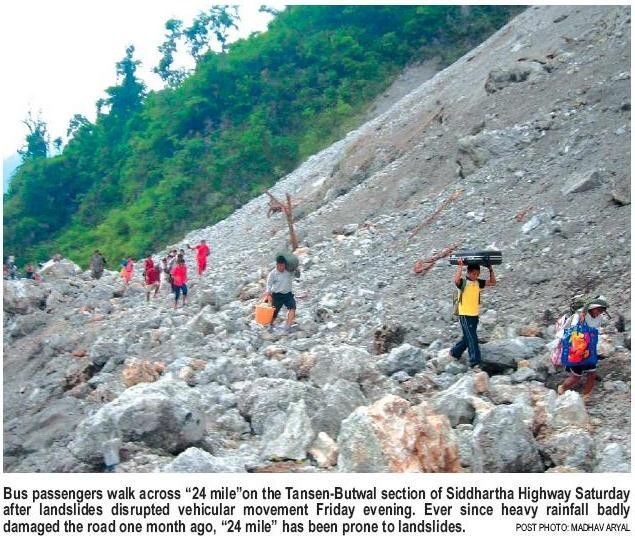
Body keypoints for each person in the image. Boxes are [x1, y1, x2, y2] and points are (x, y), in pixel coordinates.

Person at [557, 297, 609, 401]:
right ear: (593, 307)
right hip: (577, 350)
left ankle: (586, 397)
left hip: (589, 350)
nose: (599, 313)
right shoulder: (578, 315)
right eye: (598, 310)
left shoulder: (598, 318)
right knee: (576, 376)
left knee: (592, 373)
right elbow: (571, 331)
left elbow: (595, 331)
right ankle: (562, 388)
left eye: (601, 311)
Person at [449, 258, 496, 368]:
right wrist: (460, 266)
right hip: (465, 315)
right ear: (469, 272)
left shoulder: (478, 282)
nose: (476, 276)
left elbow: (493, 282)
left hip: (474, 315)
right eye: (474, 274)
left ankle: (454, 352)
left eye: (477, 274)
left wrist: (490, 269)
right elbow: (456, 280)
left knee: (468, 337)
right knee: (472, 338)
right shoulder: (464, 283)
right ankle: (475, 362)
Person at [264, 255, 297, 331]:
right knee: (274, 313)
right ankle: (270, 325)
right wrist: (268, 294)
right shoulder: (272, 273)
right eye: (279, 266)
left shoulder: (289, 271)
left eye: (283, 266)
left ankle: (288, 327)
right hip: (277, 295)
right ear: (276, 265)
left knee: (292, 308)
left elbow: (297, 275)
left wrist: (297, 270)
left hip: (288, 295)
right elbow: (269, 284)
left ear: (285, 265)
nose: (281, 267)